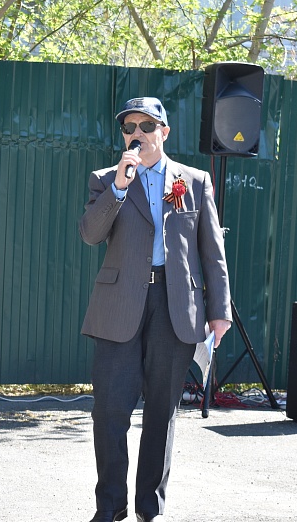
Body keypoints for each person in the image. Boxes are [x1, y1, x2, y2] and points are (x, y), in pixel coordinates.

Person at [78, 97, 233, 522]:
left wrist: (219, 311)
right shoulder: (106, 180)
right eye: (129, 127)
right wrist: (119, 187)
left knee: (162, 413)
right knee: (109, 411)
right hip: (119, 307)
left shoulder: (194, 181)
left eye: (147, 126)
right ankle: (110, 507)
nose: (137, 134)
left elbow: (212, 251)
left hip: (175, 306)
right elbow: (91, 233)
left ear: (164, 132)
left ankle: (151, 508)